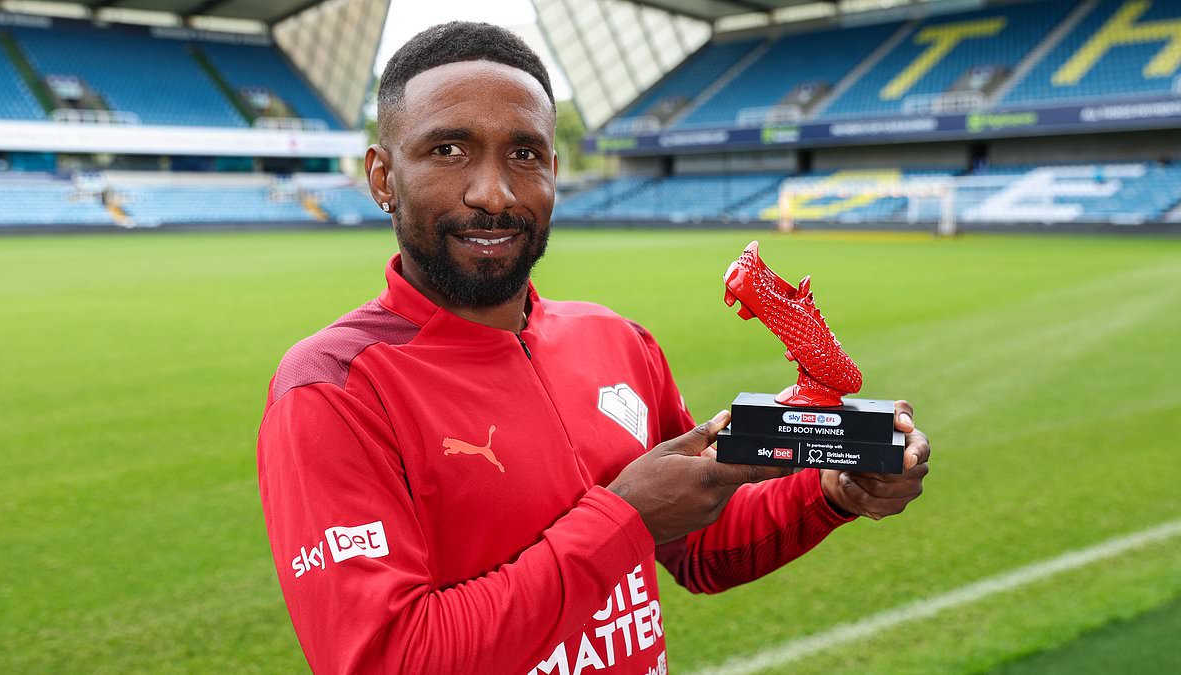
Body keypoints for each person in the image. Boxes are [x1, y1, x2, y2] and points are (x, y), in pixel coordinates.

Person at [257, 21, 930, 675]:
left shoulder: (618, 339)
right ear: (382, 177)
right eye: (448, 151)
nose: (492, 192)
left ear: (553, 170)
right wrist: (626, 517)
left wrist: (833, 490)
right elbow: (389, 660)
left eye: (523, 154)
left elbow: (698, 541)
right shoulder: (333, 386)